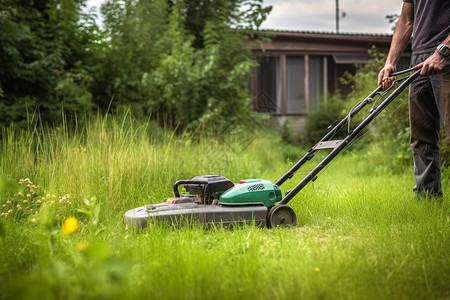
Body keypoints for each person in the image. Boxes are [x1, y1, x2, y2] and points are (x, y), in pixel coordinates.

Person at [378, 0, 449, 197]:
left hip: (446, 57)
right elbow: (406, 19)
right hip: (418, 60)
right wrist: (390, 62)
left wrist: (443, 51)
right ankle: (428, 200)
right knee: (421, 138)